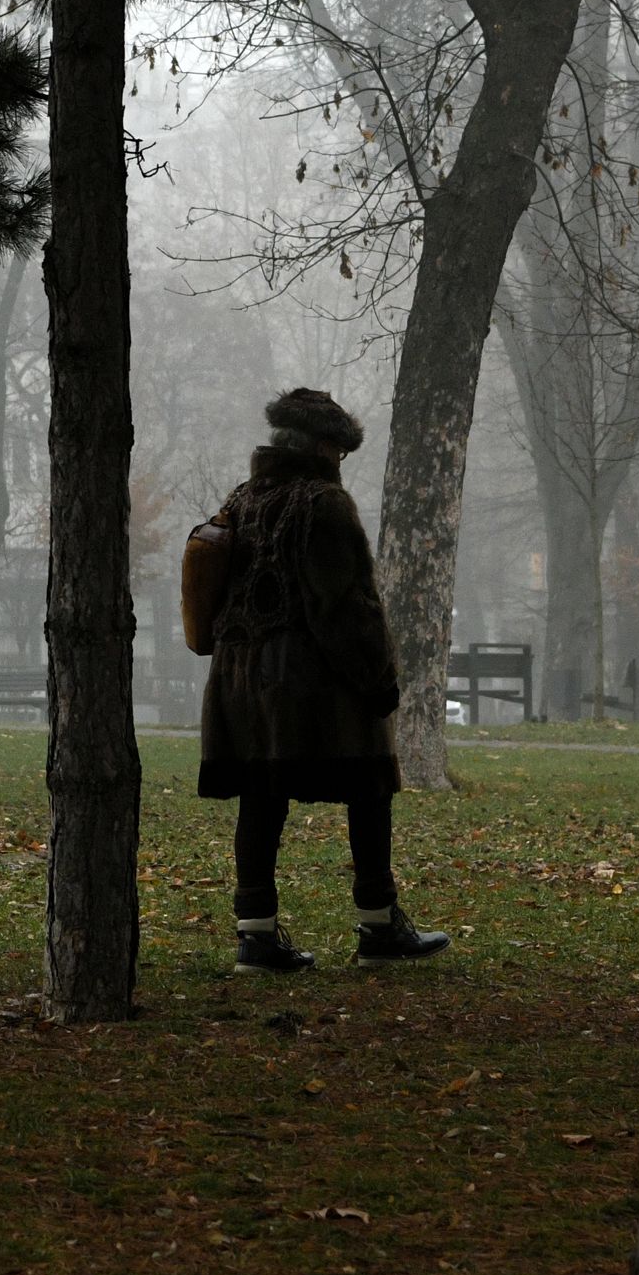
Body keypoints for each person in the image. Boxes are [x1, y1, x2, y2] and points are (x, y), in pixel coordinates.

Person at [186, 388, 449, 972]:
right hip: (308, 683)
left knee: (260, 797)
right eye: (339, 451)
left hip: (239, 677)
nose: (340, 462)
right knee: (369, 787)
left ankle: (256, 935)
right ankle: (379, 926)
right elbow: (343, 607)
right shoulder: (324, 504)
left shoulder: (243, 498)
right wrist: (378, 676)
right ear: (322, 447)